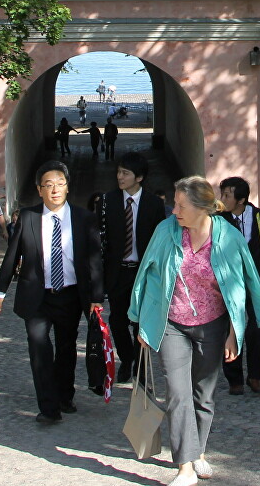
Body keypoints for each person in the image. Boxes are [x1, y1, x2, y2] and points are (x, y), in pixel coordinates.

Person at [130, 176, 260, 486]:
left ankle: (197, 451)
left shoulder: (228, 238)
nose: (174, 211)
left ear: (201, 208)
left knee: (203, 395)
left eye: (181, 206)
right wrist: (143, 323)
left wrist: (235, 333)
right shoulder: (165, 232)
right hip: (172, 324)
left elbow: (241, 286)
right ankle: (184, 467)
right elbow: (148, 276)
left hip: (212, 325)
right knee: (177, 393)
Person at [0, 161, 104, 425]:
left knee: (66, 349)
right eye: (48, 185)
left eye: (60, 184)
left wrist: (97, 298)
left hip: (71, 295)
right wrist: (0, 290)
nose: (55, 190)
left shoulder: (83, 218)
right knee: (39, 347)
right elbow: (12, 255)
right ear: (39, 189)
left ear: (67, 187)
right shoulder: (28, 217)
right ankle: (48, 407)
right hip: (37, 296)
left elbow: (95, 261)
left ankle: (65, 395)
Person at [99, 152, 166, 384]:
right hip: (118, 271)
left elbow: (159, 240)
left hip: (142, 272)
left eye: (125, 173)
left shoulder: (154, 204)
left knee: (140, 322)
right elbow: (102, 237)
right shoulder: (108, 201)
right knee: (117, 320)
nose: (120, 176)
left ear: (139, 177)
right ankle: (126, 359)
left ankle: (139, 363)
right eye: (118, 172)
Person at [217, 177, 260, 394]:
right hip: (229, 282)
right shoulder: (218, 220)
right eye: (222, 193)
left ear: (241, 199)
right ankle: (234, 378)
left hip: (258, 280)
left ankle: (255, 374)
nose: (222, 198)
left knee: (258, 327)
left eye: (227, 195)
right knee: (231, 328)